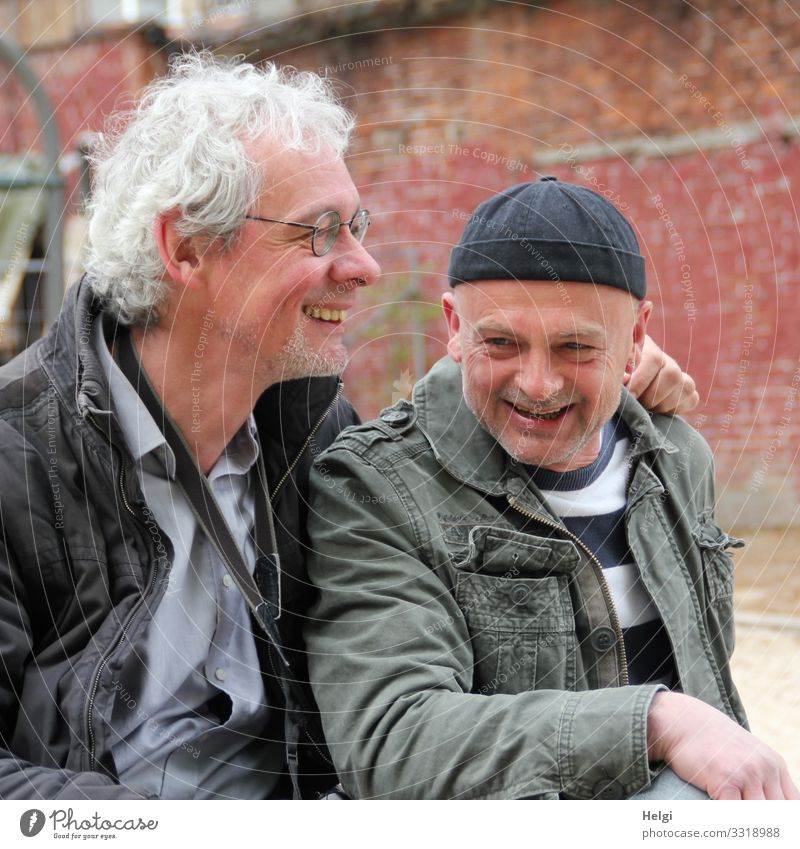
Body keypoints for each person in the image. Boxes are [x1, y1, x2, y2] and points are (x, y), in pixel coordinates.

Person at [0, 53, 696, 801]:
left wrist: (592, 365)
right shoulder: (18, 459)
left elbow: (432, 452)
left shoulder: (312, 433)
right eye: (320, 232)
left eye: (356, 225)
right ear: (187, 248)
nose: (363, 264)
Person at [303, 177, 800, 800]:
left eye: (576, 347)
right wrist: (654, 723)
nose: (537, 384)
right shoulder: (375, 487)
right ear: (454, 326)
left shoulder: (677, 459)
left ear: (636, 339)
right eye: (502, 342)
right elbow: (395, 742)